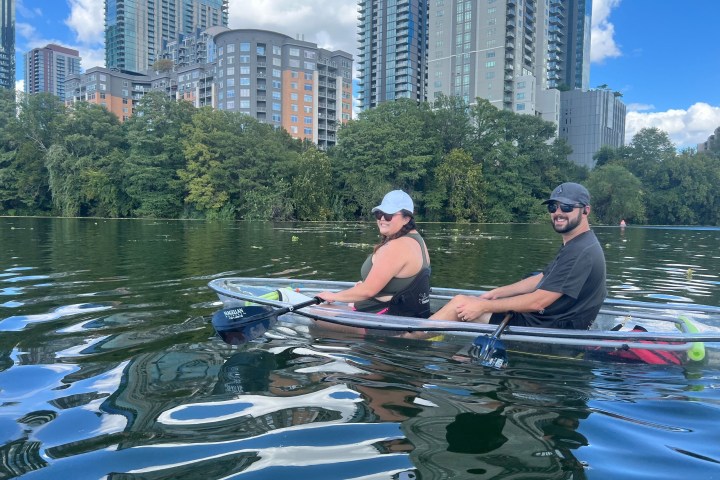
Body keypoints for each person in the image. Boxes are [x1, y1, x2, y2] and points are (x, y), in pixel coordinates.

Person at [431, 182, 606, 329]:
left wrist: (482, 305)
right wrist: (497, 293)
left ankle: (412, 337)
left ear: (585, 211)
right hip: (547, 320)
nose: (558, 213)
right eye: (553, 207)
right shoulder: (580, 243)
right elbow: (543, 278)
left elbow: (538, 302)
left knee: (460, 303)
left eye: (566, 207)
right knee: (473, 302)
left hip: (547, 329)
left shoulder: (579, 251)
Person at [317, 190, 431, 318]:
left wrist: (333, 296)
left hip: (384, 318)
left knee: (317, 311)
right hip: (404, 311)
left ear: (406, 218)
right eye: (379, 214)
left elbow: (367, 291)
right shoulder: (417, 240)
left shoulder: (396, 247)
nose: (382, 219)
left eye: (389, 215)